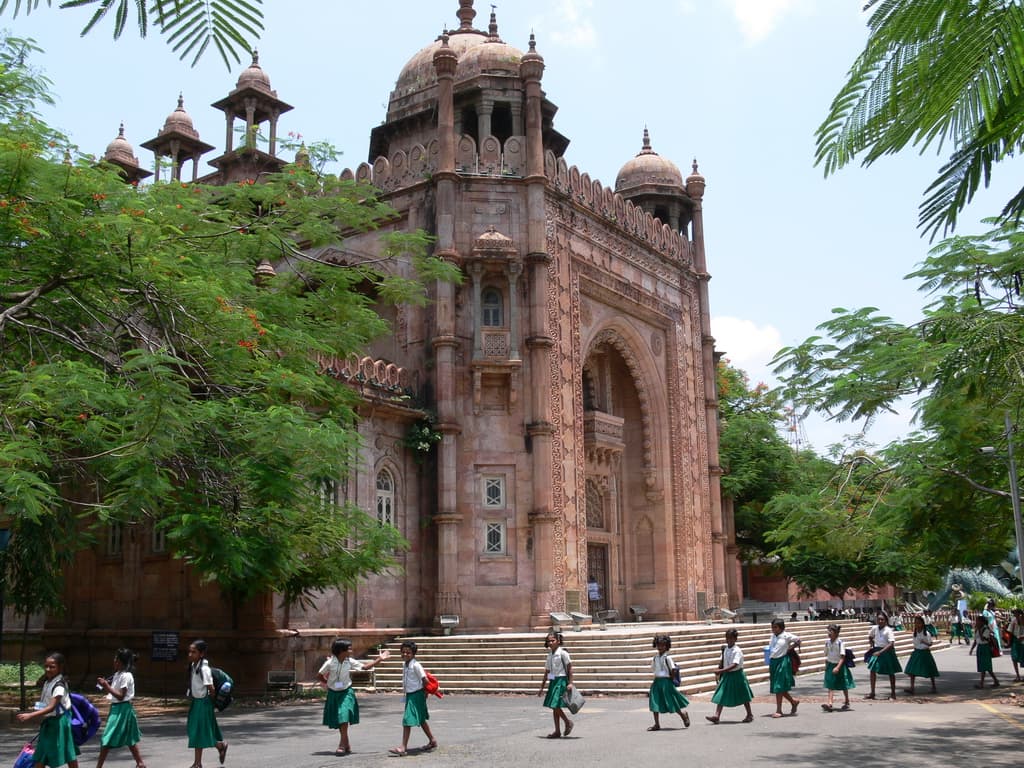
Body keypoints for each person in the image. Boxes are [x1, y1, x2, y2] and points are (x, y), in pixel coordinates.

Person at [318, 639, 390, 756]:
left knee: (344, 714)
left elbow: (365, 668)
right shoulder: (330, 663)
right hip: (333, 693)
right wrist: (327, 684)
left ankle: (341, 745)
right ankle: (346, 743)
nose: (351, 650)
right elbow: (319, 675)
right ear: (341, 650)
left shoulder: (349, 661)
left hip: (346, 692)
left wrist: (379, 659)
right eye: (349, 648)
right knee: (339, 718)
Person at [16, 652, 80, 768]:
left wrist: (31, 715)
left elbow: (51, 707)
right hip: (50, 722)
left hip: (59, 722)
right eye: (46, 666)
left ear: (60, 667)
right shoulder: (48, 682)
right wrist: (36, 709)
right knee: (44, 752)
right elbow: (45, 704)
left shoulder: (59, 685)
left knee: (66, 751)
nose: (48, 669)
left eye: (52, 667)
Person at [95, 648, 146, 768]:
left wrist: (106, 686)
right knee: (129, 738)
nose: (114, 661)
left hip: (122, 709)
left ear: (121, 662)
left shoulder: (127, 676)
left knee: (106, 738)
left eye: (116, 659)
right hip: (116, 708)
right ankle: (140, 763)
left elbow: (121, 696)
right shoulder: (117, 675)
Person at [389, 641, 437, 756]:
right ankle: (432, 740)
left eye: (408, 653)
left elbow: (425, 680)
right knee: (420, 719)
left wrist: (425, 693)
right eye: (403, 652)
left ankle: (403, 747)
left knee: (407, 720)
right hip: (410, 695)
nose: (405, 654)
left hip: (416, 695)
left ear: (414, 654)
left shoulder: (416, 665)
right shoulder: (404, 664)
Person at [186, 639, 228, 768]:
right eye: (190, 652)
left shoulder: (204, 669)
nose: (190, 654)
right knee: (196, 731)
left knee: (199, 731)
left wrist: (211, 703)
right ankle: (220, 746)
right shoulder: (194, 667)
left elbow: (211, 688)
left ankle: (197, 763)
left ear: (201, 654)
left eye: (194, 652)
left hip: (204, 703)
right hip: (196, 702)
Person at [705, 629, 754, 724]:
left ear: (735, 639)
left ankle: (749, 714)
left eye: (731, 638)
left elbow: (734, 664)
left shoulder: (737, 650)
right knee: (721, 693)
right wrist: (719, 668)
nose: (729, 640)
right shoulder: (725, 649)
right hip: (727, 675)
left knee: (743, 694)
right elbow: (722, 660)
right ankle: (717, 715)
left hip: (737, 674)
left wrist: (721, 671)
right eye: (727, 638)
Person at [646, 634, 690, 730]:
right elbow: (653, 669)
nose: (660, 647)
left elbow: (673, 669)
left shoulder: (668, 658)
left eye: (663, 645)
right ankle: (657, 724)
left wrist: (671, 678)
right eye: (659, 645)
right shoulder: (655, 658)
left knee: (671, 701)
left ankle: (683, 714)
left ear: (666, 646)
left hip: (666, 682)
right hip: (657, 681)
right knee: (655, 702)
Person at [537, 631, 574, 739]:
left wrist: (570, 683)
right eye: (548, 641)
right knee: (554, 707)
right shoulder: (549, 656)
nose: (550, 643)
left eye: (553, 640)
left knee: (554, 705)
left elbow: (570, 669)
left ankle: (567, 722)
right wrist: (542, 687)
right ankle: (557, 731)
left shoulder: (563, 653)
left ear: (558, 641)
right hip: (554, 681)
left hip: (562, 681)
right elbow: (548, 672)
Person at [766, 619, 800, 718]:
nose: (773, 629)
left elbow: (798, 640)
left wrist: (790, 648)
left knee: (779, 686)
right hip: (773, 661)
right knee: (778, 687)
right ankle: (793, 702)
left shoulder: (786, 636)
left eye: (775, 627)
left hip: (782, 661)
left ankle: (779, 710)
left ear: (781, 628)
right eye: (772, 627)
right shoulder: (772, 636)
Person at [865, 613, 902, 700]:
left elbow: (891, 643)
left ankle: (893, 694)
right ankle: (872, 692)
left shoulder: (888, 630)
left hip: (887, 652)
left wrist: (880, 652)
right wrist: (871, 644)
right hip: (877, 650)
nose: (880, 621)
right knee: (872, 670)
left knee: (890, 672)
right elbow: (870, 636)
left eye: (882, 619)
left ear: (886, 621)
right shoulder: (874, 628)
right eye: (879, 619)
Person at [821, 624, 854, 711]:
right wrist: (826, 665)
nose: (829, 633)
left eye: (831, 631)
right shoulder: (827, 642)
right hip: (830, 664)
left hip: (839, 665)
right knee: (830, 684)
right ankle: (830, 703)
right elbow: (826, 654)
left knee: (843, 684)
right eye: (828, 631)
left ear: (836, 633)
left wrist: (838, 667)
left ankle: (847, 701)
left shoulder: (840, 643)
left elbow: (842, 656)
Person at [903, 616, 939, 695]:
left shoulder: (926, 633)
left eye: (919, 623)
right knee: (912, 670)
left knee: (930, 670)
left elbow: (930, 644)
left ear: (922, 624)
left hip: (925, 652)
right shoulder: (915, 633)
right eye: (915, 623)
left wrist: (924, 642)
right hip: (916, 652)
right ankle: (912, 688)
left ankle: (934, 687)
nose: (917, 624)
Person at [970, 615, 1001, 689]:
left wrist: (979, 630)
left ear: (982, 622)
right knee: (985, 666)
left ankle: (981, 683)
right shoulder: (977, 629)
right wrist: (972, 649)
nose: (976, 622)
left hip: (985, 648)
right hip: (980, 648)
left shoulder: (986, 629)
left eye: (978, 621)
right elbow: (976, 640)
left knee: (985, 666)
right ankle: (995, 681)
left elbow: (983, 639)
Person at [1008, 608, 1024, 682]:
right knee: (1014, 658)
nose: (1016, 615)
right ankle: (1018, 676)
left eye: (1017, 614)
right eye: (1015, 614)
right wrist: (1009, 642)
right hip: (1016, 641)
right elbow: (1010, 632)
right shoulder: (1013, 621)